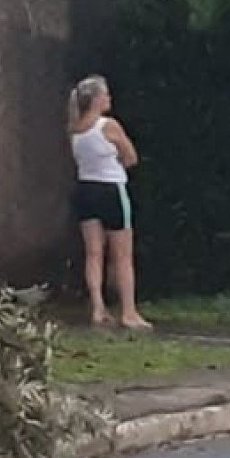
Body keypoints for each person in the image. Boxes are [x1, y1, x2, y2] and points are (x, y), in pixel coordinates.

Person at [68, 74, 150, 331]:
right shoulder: (108, 126)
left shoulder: (75, 128)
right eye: (105, 94)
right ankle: (128, 311)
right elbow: (131, 156)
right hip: (111, 189)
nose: (109, 98)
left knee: (94, 253)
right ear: (95, 99)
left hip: (85, 189)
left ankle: (98, 308)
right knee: (122, 255)